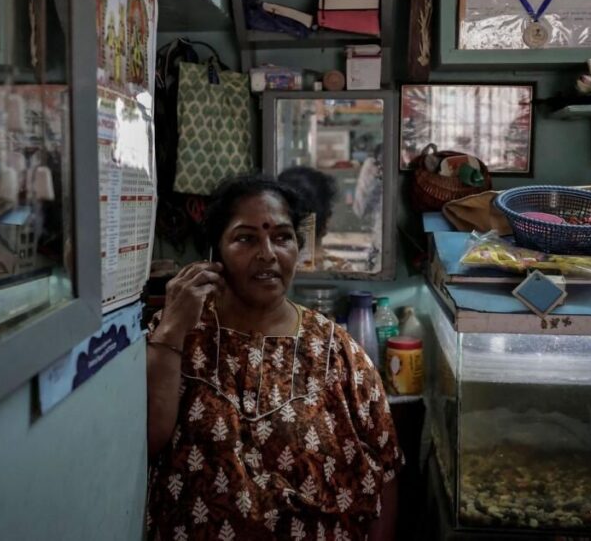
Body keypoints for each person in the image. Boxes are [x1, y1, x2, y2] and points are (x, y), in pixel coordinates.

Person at [146, 175, 401, 540]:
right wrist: (172, 330)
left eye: (282, 237)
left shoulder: (336, 350)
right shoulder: (181, 334)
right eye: (246, 238)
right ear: (215, 253)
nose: (267, 253)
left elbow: (386, 472)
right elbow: (149, 440)